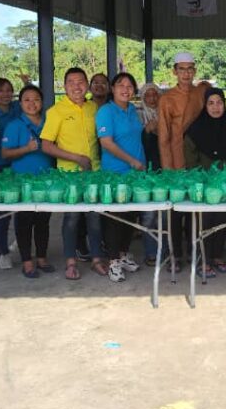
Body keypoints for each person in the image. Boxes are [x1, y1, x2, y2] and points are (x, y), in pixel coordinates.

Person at [40, 67, 108, 281]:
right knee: (71, 219)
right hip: (69, 175)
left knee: (94, 218)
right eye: (71, 82)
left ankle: (96, 260)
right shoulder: (56, 111)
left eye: (80, 82)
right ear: (64, 86)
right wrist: (76, 158)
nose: (76, 86)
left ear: (87, 85)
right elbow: (46, 145)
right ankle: (70, 263)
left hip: (94, 173)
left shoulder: (93, 108)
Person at [157, 52, 211, 270]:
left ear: (194, 71)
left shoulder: (201, 93)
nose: (186, 73)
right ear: (175, 71)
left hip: (197, 158)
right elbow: (163, 137)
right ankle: (174, 255)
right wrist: (168, 169)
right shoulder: (167, 99)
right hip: (176, 157)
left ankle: (194, 253)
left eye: (190, 69)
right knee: (174, 211)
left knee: (195, 209)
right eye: (182, 69)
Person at [1, 84, 55, 278]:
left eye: (36, 99)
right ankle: (26, 261)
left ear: (42, 102)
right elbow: (5, 153)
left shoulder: (49, 122)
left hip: (46, 180)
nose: (32, 104)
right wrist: (26, 149)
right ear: (20, 103)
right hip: (22, 181)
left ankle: (41, 257)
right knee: (24, 220)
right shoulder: (15, 125)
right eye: (27, 100)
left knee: (43, 221)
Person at [96, 72, 145, 282]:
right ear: (112, 89)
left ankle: (123, 254)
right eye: (120, 85)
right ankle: (113, 261)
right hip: (115, 173)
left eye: (129, 86)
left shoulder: (132, 109)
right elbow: (106, 142)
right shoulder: (106, 111)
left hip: (136, 174)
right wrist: (131, 161)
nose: (125, 89)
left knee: (130, 216)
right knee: (115, 218)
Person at [184, 88, 226, 275]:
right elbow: (190, 159)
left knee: (221, 219)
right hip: (203, 184)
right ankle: (202, 259)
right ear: (205, 106)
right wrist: (201, 181)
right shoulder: (196, 129)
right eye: (211, 103)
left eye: (219, 103)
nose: (216, 107)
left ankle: (217, 256)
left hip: (224, 183)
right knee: (203, 221)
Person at [0, 77, 23, 270]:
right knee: (3, 212)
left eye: (9, 90)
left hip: (20, 163)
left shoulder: (17, 107)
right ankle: (3, 252)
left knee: (23, 208)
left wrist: (27, 83)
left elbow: (32, 101)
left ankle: (20, 241)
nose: (6, 94)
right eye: (1, 91)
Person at [137, 82, 163, 267]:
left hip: (165, 169)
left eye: (155, 95)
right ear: (142, 98)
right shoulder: (137, 116)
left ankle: (168, 251)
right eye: (148, 95)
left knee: (166, 215)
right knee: (148, 214)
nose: (152, 98)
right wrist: (147, 130)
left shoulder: (166, 113)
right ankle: (151, 252)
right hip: (145, 170)